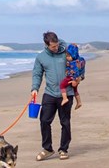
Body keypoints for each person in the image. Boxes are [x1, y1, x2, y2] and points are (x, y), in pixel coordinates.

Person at [31, 31, 80, 161]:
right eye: (53, 46)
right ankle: (47, 149)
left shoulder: (66, 52)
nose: (56, 48)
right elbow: (37, 74)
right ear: (46, 45)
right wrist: (35, 88)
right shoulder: (41, 57)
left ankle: (63, 149)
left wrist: (79, 79)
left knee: (65, 122)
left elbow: (78, 66)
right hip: (50, 93)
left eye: (56, 45)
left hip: (66, 93)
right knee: (44, 121)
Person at [59, 43, 85, 110]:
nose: (67, 57)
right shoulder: (79, 60)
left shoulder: (75, 62)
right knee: (75, 90)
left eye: (69, 56)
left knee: (62, 85)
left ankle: (65, 98)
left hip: (71, 78)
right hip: (75, 79)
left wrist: (75, 80)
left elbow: (76, 72)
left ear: (73, 54)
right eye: (66, 56)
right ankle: (79, 102)